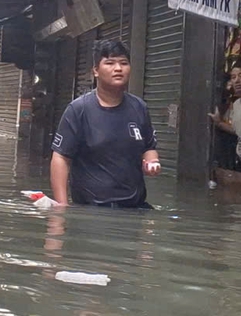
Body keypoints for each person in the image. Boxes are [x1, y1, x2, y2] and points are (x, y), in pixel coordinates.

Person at [49, 39, 161, 208]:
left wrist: (153, 163)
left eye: (124, 63)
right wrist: (61, 208)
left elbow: (148, 148)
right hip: (91, 211)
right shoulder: (78, 110)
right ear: (95, 70)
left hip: (134, 209)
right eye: (110, 63)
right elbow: (60, 158)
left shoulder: (139, 108)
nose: (118, 69)